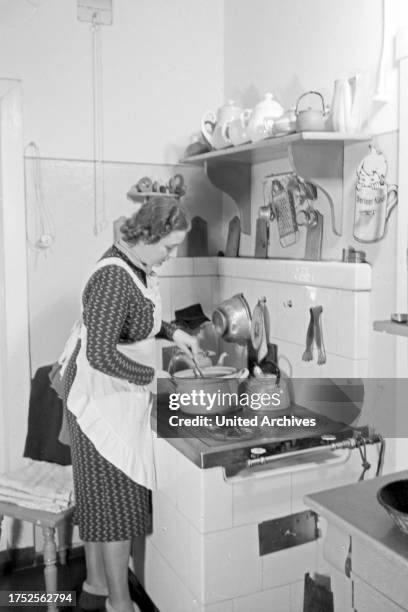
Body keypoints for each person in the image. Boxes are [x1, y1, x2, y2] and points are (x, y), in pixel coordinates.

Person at [60, 197, 199, 612]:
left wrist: (176, 335)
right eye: (169, 247)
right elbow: (99, 355)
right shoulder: (114, 279)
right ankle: (119, 604)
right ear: (148, 236)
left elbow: (145, 317)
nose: (172, 256)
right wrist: (152, 380)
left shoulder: (136, 266)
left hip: (114, 393)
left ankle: (101, 587)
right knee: (115, 504)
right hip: (98, 400)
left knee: (106, 500)